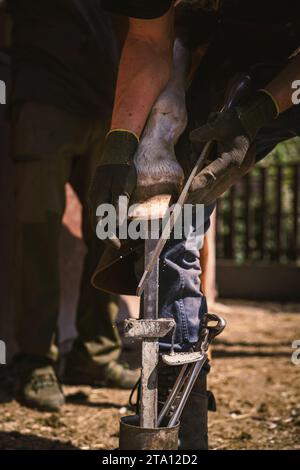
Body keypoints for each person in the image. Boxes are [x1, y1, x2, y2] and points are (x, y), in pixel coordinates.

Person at [89, 0, 300, 449]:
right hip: (217, 51)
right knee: (176, 212)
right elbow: (147, 40)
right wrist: (119, 141)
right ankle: (178, 392)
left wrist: (262, 110)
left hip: (290, 70)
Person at [9, 0, 139, 413]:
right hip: (43, 98)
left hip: (107, 105)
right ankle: (35, 362)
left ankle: (95, 354)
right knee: (38, 235)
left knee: (111, 232)